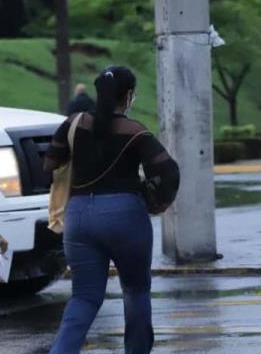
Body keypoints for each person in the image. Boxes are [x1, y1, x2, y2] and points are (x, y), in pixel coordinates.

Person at [44, 66, 180, 354]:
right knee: (135, 290)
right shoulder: (135, 131)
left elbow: (51, 163)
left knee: (84, 296)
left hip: (79, 216)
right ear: (128, 96)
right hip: (125, 215)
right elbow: (168, 172)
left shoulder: (73, 123)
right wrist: (155, 201)